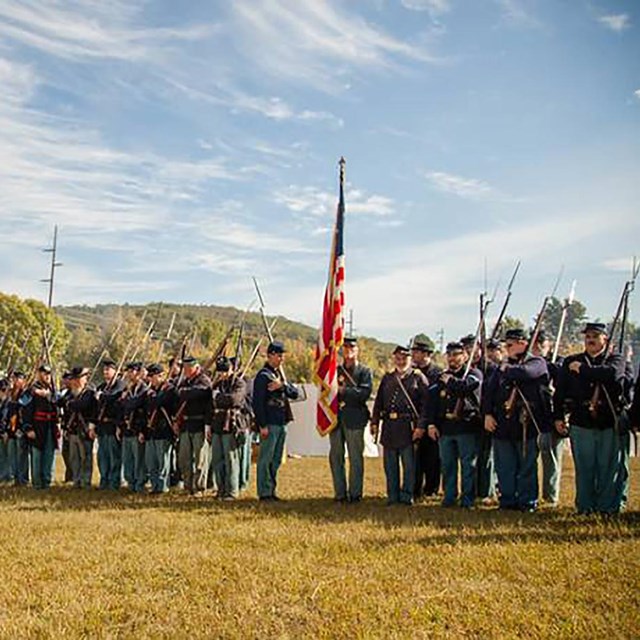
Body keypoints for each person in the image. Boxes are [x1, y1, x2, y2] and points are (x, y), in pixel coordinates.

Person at [554, 323, 625, 514]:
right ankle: (585, 507)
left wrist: (583, 370)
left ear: (605, 339)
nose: (590, 339)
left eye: (595, 336)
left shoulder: (615, 359)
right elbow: (560, 392)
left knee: (607, 467)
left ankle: (607, 508)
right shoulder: (571, 361)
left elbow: (612, 375)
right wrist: (558, 416)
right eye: (587, 336)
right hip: (581, 420)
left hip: (607, 420)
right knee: (584, 468)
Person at [483, 328, 550, 512]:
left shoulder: (536, 362)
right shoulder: (501, 367)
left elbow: (527, 373)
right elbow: (488, 391)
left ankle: (527, 501)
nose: (506, 347)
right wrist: (487, 414)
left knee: (527, 466)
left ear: (522, 343)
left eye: (510, 344)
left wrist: (508, 368)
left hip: (526, 423)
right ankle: (507, 501)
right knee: (505, 466)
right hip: (503, 423)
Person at [426, 341, 482, 508]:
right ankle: (449, 497)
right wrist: (431, 424)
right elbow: (432, 402)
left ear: (465, 356)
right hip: (446, 428)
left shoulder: (473, 373)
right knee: (448, 465)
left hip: (466, 426)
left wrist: (450, 381)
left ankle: (468, 499)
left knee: (468, 466)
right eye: (450, 355)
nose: (453, 358)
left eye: (457, 355)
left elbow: (466, 388)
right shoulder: (441, 376)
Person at [370, 345, 428, 505]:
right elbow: (379, 402)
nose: (401, 361)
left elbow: (425, 406)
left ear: (410, 359)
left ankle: (406, 495)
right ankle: (392, 495)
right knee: (390, 465)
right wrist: (374, 421)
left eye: (404, 358)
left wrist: (421, 426)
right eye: (398, 358)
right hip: (389, 426)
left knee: (409, 465)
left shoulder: (418, 377)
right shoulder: (388, 378)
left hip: (408, 426)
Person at [253, 341, 299, 501]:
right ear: (271, 355)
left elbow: (295, 393)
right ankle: (264, 492)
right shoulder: (263, 376)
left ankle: (271, 489)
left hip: (281, 422)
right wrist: (262, 425)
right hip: (270, 422)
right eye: (279, 355)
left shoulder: (279, 376)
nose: (281, 359)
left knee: (276, 459)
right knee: (265, 458)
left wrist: (283, 385)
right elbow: (257, 403)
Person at [328, 337, 373, 503]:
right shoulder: (335, 371)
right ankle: (340, 494)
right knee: (336, 458)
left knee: (355, 459)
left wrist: (343, 391)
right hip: (335, 419)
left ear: (357, 350)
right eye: (345, 348)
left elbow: (364, 393)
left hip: (355, 419)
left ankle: (355, 494)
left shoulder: (364, 372)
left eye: (351, 348)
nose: (348, 351)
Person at [531, 330, 565, 506]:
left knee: (551, 457)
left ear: (549, 345)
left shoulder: (558, 362)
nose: (538, 347)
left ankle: (551, 496)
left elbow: (564, 385)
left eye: (541, 344)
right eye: (535, 343)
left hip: (551, 416)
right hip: (533, 417)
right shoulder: (529, 363)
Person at [210, 356, 247, 500]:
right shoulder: (217, 384)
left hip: (231, 424)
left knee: (231, 458)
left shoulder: (238, 383)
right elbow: (210, 400)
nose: (222, 374)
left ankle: (232, 491)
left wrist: (218, 397)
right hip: (217, 423)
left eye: (225, 371)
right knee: (218, 459)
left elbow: (234, 400)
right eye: (220, 371)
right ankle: (221, 489)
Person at [175, 355, 212, 495]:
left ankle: (199, 487)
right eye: (184, 367)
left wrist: (186, 393)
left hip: (199, 423)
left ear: (196, 367)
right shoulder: (185, 381)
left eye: (188, 367)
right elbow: (178, 394)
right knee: (184, 458)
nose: (185, 370)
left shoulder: (204, 380)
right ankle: (188, 486)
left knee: (200, 460)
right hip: (186, 424)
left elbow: (200, 393)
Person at [411, 338, 442, 499]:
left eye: (416, 352)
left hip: (433, 421)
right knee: (416, 458)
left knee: (433, 459)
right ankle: (415, 488)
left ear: (426, 354)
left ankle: (431, 489)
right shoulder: (411, 372)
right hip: (415, 420)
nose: (413, 355)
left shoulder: (437, 373)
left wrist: (430, 423)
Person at [60, 366, 97, 489]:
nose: (74, 381)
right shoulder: (70, 393)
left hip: (84, 429)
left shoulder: (89, 393)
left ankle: (86, 481)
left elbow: (82, 406)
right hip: (72, 430)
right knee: (74, 458)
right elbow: (62, 404)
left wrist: (70, 404)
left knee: (85, 457)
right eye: (74, 378)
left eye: (77, 378)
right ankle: (76, 480)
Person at [22, 364, 58, 489]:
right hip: (37, 427)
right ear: (39, 374)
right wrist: (28, 428)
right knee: (36, 456)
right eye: (44, 373)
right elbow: (25, 409)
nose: (47, 376)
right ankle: (37, 483)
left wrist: (50, 395)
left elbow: (58, 403)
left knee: (49, 455)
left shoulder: (52, 390)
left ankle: (46, 482)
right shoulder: (31, 390)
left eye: (48, 373)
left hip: (50, 427)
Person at [144, 363, 176, 494]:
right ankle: (154, 485)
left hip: (163, 430)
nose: (150, 379)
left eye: (153, 376)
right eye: (150, 376)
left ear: (161, 375)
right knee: (151, 461)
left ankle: (163, 487)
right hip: (152, 431)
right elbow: (149, 404)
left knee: (163, 462)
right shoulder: (152, 391)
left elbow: (159, 402)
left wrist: (155, 398)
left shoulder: (169, 390)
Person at [95, 359, 124, 490]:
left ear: (115, 371)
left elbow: (113, 397)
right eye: (105, 369)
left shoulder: (119, 385)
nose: (106, 372)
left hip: (112, 425)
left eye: (108, 369)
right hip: (102, 426)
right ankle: (104, 479)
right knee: (103, 456)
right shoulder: (101, 387)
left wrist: (101, 396)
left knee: (114, 456)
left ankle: (115, 481)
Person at [120, 362, 149, 493]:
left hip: (138, 428)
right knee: (128, 459)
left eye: (132, 371)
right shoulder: (129, 389)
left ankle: (140, 484)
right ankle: (131, 483)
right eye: (128, 371)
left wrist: (126, 401)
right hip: (127, 428)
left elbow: (134, 404)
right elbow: (122, 405)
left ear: (138, 372)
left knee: (139, 460)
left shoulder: (144, 389)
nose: (129, 374)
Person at [7, 370, 30, 486]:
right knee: (13, 456)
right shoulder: (11, 394)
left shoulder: (25, 393)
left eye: (17, 379)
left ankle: (23, 479)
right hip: (11, 430)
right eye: (14, 379)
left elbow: (23, 408)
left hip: (20, 428)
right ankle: (16, 478)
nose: (15, 381)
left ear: (23, 380)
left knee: (22, 456)